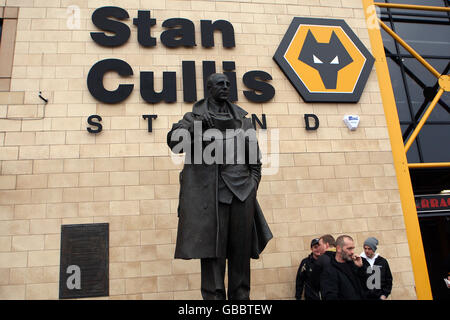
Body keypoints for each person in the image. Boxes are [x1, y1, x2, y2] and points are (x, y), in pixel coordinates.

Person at [167, 73, 272, 300]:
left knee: (240, 255)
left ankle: (241, 301)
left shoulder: (243, 120)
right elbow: (174, 144)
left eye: (227, 84)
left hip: (242, 194)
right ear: (209, 88)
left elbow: (255, 161)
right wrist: (196, 125)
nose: (225, 87)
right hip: (211, 197)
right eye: (220, 84)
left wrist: (252, 186)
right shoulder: (194, 116)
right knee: (213, 255)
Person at [320, 235, 367, 300]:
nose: (352, 252)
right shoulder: (329, 270)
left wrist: (360, 268)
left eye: (353, 248)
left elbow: (366, 287)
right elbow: (330, 296)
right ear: (339, 248)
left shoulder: (354, 264)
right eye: (349, 248)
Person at [309, 234, 336, 299]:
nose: (318, 248)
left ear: (326, 245)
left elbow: (314, 282)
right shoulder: (342, 257)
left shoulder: (322, 259)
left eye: (320, 245)